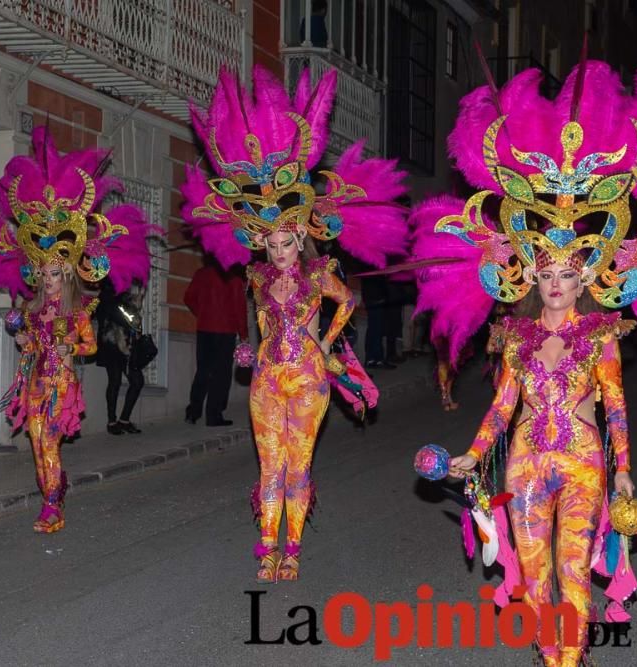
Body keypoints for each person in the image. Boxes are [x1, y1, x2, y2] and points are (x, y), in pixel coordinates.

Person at [410, 61, 637, 665]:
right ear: (533, 275)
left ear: (583, 277)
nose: (556, 284)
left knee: (573, 572)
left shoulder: (601, 333)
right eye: (547, 274)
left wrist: (626, 471)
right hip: (525, 465)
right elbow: (504, 404)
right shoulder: (516, 335)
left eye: (567, 274)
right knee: (532, 580)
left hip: (583, 464)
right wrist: (471, 457)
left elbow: (614, 404)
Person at [181, 66, 408, 582]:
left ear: (299, 236)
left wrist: (325, 343)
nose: (280, 252)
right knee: (269, 466)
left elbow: (347, 301)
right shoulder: (257, 278)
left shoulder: (318, 274)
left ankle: (294, 550)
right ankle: (266, 549)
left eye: (287, 242)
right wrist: (250, 349)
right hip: (266, 378)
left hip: (307, 378)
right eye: (271, 243)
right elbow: (258, 321)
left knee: (298, 467)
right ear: (260, 241)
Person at [0, 126, 152, 533]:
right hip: (33, 384)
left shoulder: (78, 310)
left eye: (55, 272)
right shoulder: (32, 309)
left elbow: (87, 346)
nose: (47, 279)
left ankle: (51, 505)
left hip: (60, 387)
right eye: (43, 272)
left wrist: (71, 348)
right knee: (36, 446)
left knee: (48, 443)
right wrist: (20, 334)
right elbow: (28, 342)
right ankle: (54, 488)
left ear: (66, 272)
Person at [184, 260, 249, 426]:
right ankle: (214, 415)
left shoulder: (201, 274)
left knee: (203, 371)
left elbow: (188, 298)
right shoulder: (233, 279)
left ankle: (193, 411)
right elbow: (239, 309)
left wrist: (203, 313)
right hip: (225, 331)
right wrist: (244, 334)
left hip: (204, 329)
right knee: (221, 374)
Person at [96, 283, 147, 435]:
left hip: (128, 345)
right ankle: (112, 422)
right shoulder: (107, 294)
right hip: (111, 343)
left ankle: (124, 420)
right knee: (115, 381)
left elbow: (133, 319)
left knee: (137, 381)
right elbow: (120, 316)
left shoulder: (127, 292)